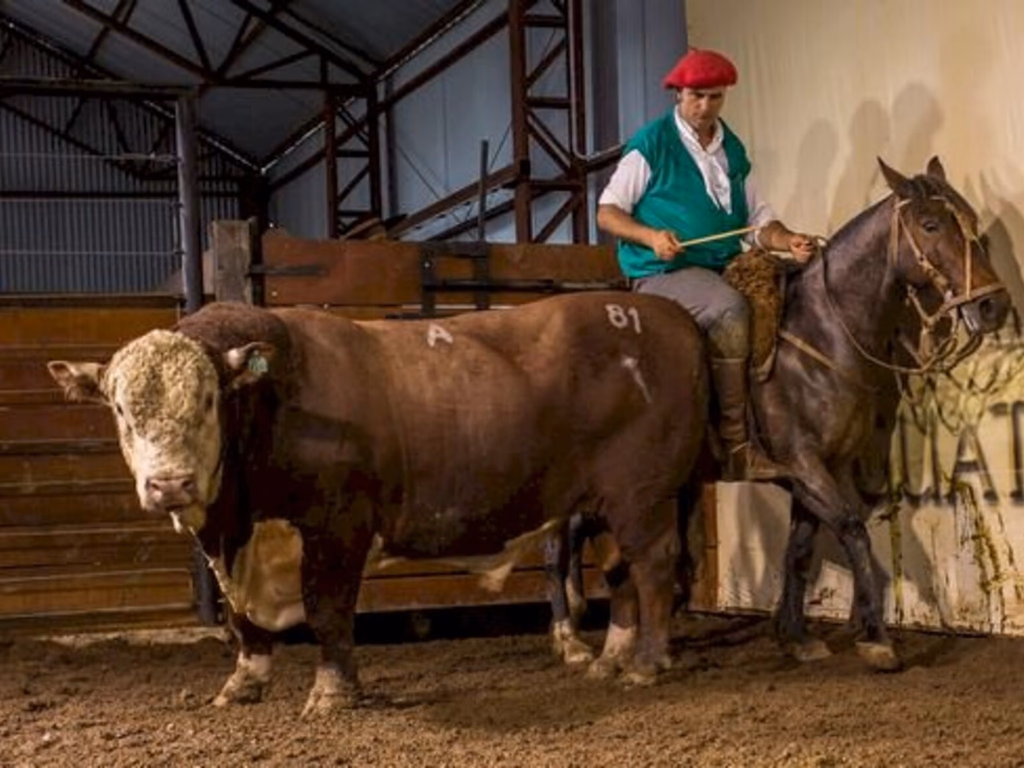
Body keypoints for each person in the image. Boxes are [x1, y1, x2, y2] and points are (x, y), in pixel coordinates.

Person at [596, 47, 817, 482]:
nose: (705, 106)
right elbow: (607, 212)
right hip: (662, 274)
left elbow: (759, 223)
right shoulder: (652, 143)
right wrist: (651, 237)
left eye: (715, 97)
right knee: (729, 309)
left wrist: (787, 241)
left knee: (797, 294)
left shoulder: (731, 148)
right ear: (678, 94)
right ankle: (737, 446)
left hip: (722, 267)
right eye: (696, 96)